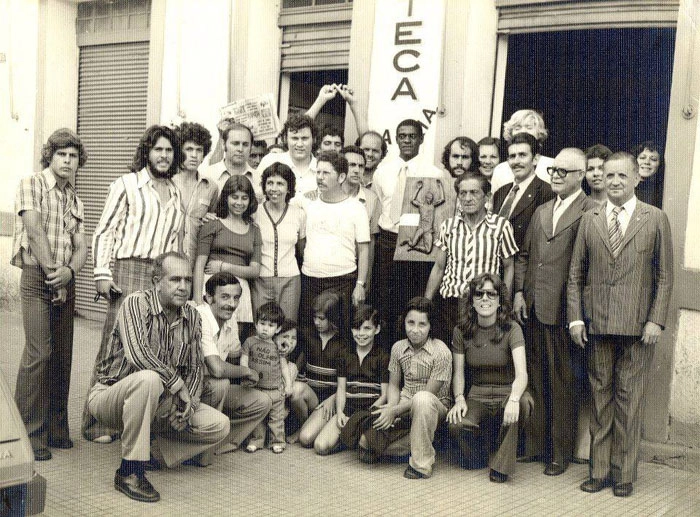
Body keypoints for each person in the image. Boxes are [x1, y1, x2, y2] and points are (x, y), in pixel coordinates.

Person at [568, 152, 673, 497]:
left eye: (621, 176)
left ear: (636, 178)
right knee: (600, 399)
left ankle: (624, 474)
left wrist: (656, 320)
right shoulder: (591, 218)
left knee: (629, 401)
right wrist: (576, 318)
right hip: (597, 324)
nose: (614, 182)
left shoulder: (655, 219)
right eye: (608, 175)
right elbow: (575, 275)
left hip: (638, 327)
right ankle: (598, 471)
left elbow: (665, 277)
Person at [86, 252, 230, 503]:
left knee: (219, 425)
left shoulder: (193, 317)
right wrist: (177, 385)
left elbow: (195, 368)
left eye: (187, 280)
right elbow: (138, 355)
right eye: (175, 280)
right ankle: (130, 471)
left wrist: (189, 405)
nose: (183, 287)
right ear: (156, 281)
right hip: (111, 398)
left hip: (161, 402)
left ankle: (154, 452)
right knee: (149, 379)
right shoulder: (135, 303)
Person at [85, 125, 184, 442]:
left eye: (169, 150)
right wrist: (102, 272)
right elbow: (105, 231)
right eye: (158, 149)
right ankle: (94, 421)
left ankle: (129, 422)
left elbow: (172, 241)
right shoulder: (126, 184)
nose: (164, 155)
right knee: (114, 347)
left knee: (149, 345)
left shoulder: (176, 193)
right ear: (147, 152)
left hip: (159, 276)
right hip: (128, 270)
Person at [513, 148, 598, 474]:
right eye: (554, 171)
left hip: (565, 313)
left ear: (580, 176)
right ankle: (535, 445)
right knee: (534, 379)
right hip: (533, 308)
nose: (557, 176)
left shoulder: (591, 210)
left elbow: (590, 267)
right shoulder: (542, 210)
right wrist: (520, 291)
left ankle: (559, 453)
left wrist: (579, 312)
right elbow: (525, 255)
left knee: (562, 383)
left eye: (565, 171)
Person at [12, 128, 89, 461]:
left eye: (73, 156)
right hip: (36, 279)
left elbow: (82, 245)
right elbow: (34, 230)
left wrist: (70, 272)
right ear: (50, 155)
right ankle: (25, 434)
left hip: (63, 280)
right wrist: (54, 277)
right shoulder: (32, 184)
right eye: (62, 155)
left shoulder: (74, 198)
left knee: (61, 358)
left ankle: (56, 430)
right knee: (39, 353)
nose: (68, 161)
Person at [372, 119, 451, 347]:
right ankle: (387, 354)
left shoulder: (434, 173)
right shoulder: (383, 172)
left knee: (412, 300)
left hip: (415, 245)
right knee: (385, 301)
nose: (407, 140)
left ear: (421, 140)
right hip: (388, 240)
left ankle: (412, 355)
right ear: (396, 139)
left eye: (412, 136)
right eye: (402, 135)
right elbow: (382, 202)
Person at [446, 273, 529, 483]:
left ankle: (501, 467)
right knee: (456, 423)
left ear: (500, 300)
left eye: (491, 294)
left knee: (524, 403)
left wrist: (513, 399)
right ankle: (480, 457)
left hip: (506, 392)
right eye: (479, 294)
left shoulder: (512, 329)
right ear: (472, 300)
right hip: (478, 395)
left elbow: (522, 374)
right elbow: (458, 373)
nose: (485, 299)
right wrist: (459, 399)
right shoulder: (461, 331)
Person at [362, 297, 452, 480]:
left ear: (430, 326)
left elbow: (428, 394)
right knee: (365, 442)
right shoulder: (398, 348)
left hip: (434, 408)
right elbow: (394, 385)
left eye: (422, 324)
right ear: (403, 322)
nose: (415, 330)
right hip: (404, 405)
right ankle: (420, 444)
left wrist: (395, 411)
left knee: (422, 399)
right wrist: (390, 409)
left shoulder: (441, 352)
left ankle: (421, 465)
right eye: (410, 323)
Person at [425, 172, 518, 344]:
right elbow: (438, 268)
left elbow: (509, 267)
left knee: (475, 356)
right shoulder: (449, 226)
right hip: (450, 304)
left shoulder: (501, 227)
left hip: (483, 305)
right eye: (463, 193)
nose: (467, 198)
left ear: (487, 197)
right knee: (448, 353)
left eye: (474, 193)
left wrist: (504, 304)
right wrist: (426, 303)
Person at [196, 272, 272, 456]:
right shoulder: (200, 316)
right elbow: (217, 368)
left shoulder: (230, 319)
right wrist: (246, 371)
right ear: (209, 297)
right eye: (225, 297)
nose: (231, 304)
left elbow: (235, 355)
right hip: (190, 390)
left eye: (236, 298)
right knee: (219, 384)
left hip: (210, 387)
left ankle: (221, 442)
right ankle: (200, 447)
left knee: (262, 401)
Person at [299, 151, 370, 334]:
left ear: (341, 177)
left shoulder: (356, 208)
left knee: (340, 333)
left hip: (342, 281)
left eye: (326, 173)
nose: (320, 178)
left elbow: (363, 249)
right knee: (310, 333)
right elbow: (302, 242)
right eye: (318, 172)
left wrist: (360, 284)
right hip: (310, 280)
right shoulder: (308, 205)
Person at [313, 305, 389, 456]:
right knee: (320, 446)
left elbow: (385, 395)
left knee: (367, 444)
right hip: (349, 408)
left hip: (369, 411)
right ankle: (346, 437)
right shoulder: (345, 354)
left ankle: (352, 436)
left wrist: (364, 415)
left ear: (377, 329)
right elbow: (341, 388)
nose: (361, 334)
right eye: (356, 328)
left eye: (367, 328)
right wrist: (340, 412)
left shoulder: (383, 356)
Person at [193, 175, 261, 338]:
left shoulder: (254, 230)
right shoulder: (212, 224)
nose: (239, 202)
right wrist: (197, 302)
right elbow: (199, 265)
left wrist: (224, 267)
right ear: (226, 198)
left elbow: (255, 271)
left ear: (250, 200)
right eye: (234, 197)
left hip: (240, 291)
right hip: (212, 287)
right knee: (208, 338)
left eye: (244, 198)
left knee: (234, 341)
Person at [252, 162, 306, 322]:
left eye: (280, 183)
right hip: (261, 279)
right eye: (270, 183)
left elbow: (301, 249)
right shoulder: (255, 212)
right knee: (261, 328)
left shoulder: (299, 214)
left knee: (287, 327)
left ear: (289, 188)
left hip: (290, 280)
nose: (274, 188)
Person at [296, 291, 349, 448]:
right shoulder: (309, 335)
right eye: (315, 317)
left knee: (306, 439)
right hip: (311, 396)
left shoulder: (343, 343)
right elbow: (299, 365)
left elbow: (344, 383)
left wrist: (333, 399)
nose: (317, 322)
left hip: (330, 400)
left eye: (322, 318)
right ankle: (303, 425)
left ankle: (318, 428)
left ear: (333, 318)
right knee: (297, 390)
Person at [241, 302, 291, 453]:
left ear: (278, 328)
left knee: (276, 418)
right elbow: (244, 359)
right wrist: (245, 373)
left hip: (275, 389)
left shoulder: (278, 345)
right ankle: (256, 440)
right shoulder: (250, 342)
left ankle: (277, 441)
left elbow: (283, 366)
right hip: (256, 388)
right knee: (258, 417)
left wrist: (288, 385)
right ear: (256, 323)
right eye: (262, 323)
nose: (265, 328)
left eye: (270, 325)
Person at [492, 132, 555, 250]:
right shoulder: (501, 192)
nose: (516, 161)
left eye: (522, 155)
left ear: (535, 159)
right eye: (512, 156)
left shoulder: (547, 193)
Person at [172, 122, 218, 267]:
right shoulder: (166, 182)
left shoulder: (210, 187)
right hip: (164, 260)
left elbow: (211, 224)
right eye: (189, 149)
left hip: (192, 263)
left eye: (199, 150)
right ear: (179, 151)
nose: (194, 155)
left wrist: (208, 220)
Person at [342, 145, 380, 289]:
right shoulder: (328, 195)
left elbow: (370, 244)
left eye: (361, 166)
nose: (357, 170)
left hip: (358, 267)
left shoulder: (372, 199)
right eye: (351, 165)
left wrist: (364, 282)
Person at [491, 110, 554, 193]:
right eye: (518, 128)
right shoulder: (501, 170)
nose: (523, 131)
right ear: (510, 133)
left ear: (539, 133)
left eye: (529, 127)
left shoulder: (552, 166)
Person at [256, 114, 319, 197]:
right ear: (285, 139)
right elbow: (255, 195)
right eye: (294, 138)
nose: (300, 144)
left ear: (314, 139)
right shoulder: (270, 161)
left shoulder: (322, 168)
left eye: (304, 138)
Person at [202, 122, 262, 201]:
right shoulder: (207, 175)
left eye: (245, 144)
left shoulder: (259, 179)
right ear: (223, 144)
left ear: (251, 147)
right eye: (235, 144)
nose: (240, 149)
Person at [633, 141, 664, 208]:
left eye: (653, 159)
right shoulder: (624, 187)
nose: (647, 162)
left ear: (659, 165)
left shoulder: (661, 191)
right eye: (642, 158)